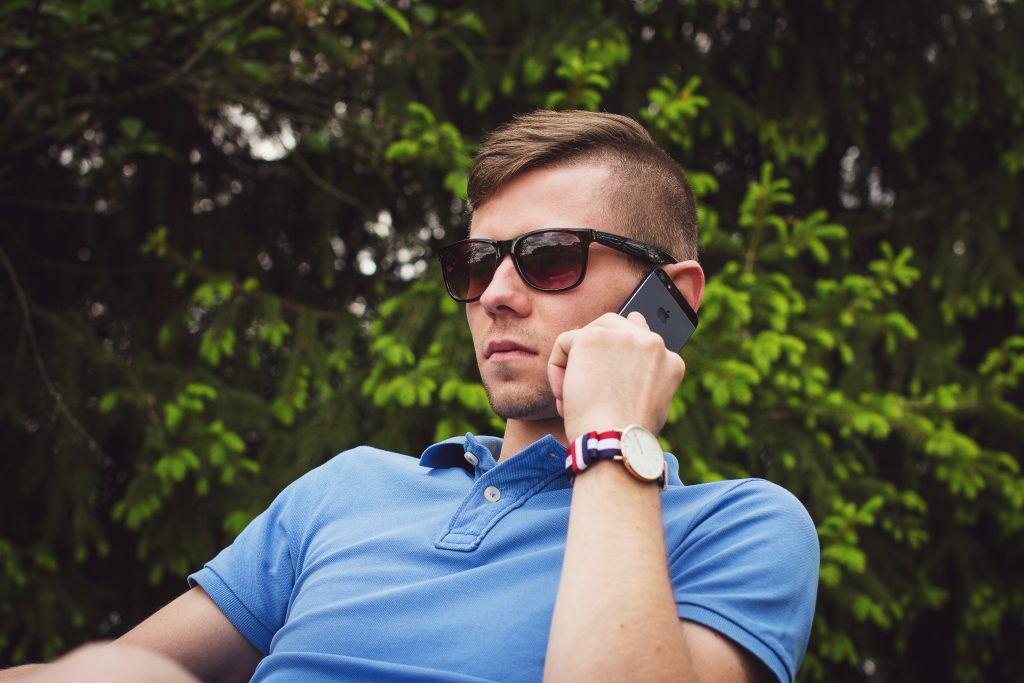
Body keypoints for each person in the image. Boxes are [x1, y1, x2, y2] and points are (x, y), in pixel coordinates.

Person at [1, 110, 818, 683]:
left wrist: (608, 437)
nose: (495, 293)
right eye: (475, 262)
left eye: (548, 255)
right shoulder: (346, 487)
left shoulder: (739, 528)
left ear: (667, 298)